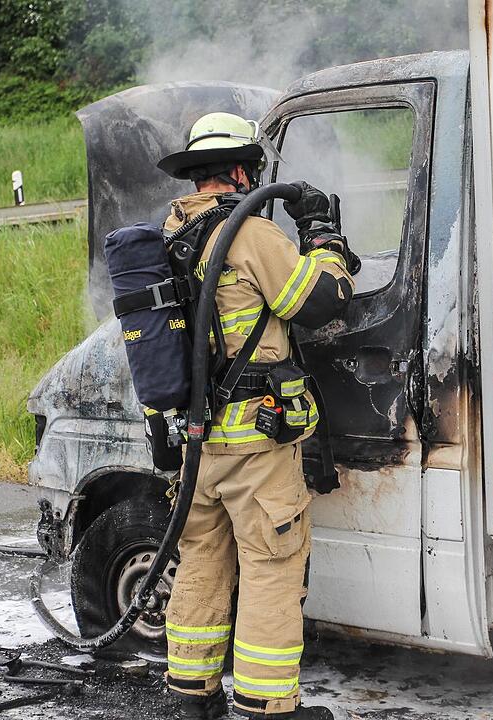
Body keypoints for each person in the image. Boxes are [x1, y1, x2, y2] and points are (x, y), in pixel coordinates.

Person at [155, 112, 358, 720]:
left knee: (201, 562)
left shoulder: (170, 235)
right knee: (271, 565)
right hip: (254, 445)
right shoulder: (248, 234)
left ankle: (192, 696)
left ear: (196, 175)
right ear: (243, 171)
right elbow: (319, 302)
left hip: (195, 446)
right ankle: (269, 705)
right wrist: (324, 239)